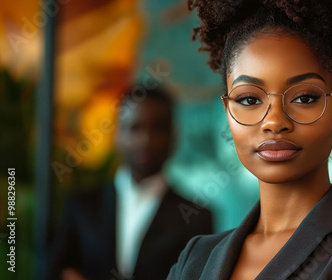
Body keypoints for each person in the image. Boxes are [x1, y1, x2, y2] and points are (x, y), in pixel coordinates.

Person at [167, 0, 332, 279]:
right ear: (227, 110)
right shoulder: (195, 258)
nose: (274, 122)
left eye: (304, 98)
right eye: (249, 99)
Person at [48, 86, 213, 280]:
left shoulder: (196, 217)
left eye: (158, 128)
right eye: (135, 128)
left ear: (173, 138)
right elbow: (54, 269)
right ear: (118, 135)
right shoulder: (81, 206)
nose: (145, 140)